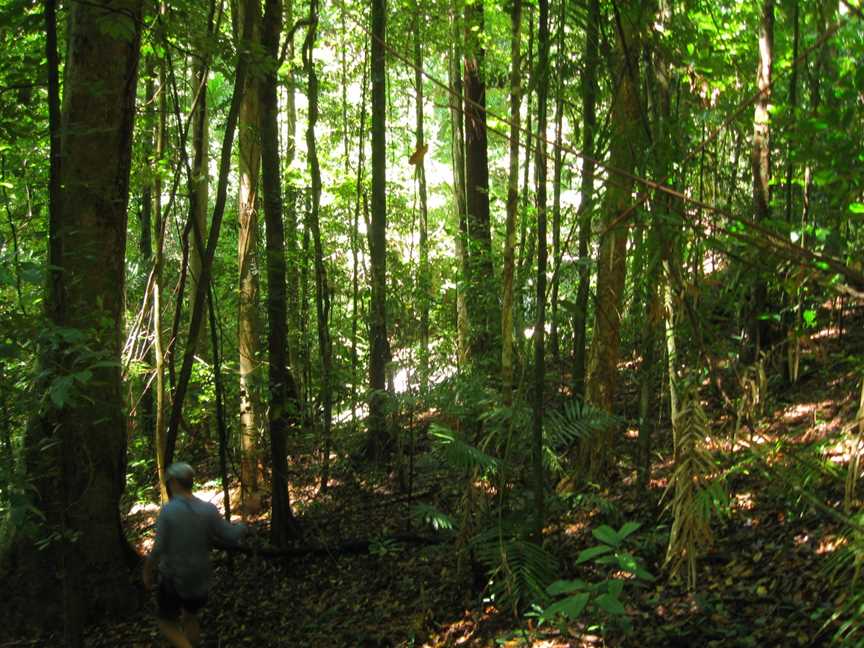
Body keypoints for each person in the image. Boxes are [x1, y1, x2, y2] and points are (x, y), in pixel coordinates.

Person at [143, 462, 247, 648]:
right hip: (200, 577)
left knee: (166, 623)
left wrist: (147, 570)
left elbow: (158, 547)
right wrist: (245, 521)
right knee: (190, 617)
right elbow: (231, 535)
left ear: (174, 483)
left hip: (174, 578)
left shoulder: (169, 511)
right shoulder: (208, 509)